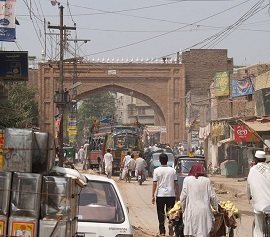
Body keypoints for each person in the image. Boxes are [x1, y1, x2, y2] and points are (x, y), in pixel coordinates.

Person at [180, 163, 218, 237]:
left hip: (191, 212)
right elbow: (213, 197)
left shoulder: (187, 180)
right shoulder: (207, 181)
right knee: (204, 233)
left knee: (191, 232)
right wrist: (216, 208)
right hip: (204, 213)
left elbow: (183, 197)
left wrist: (183, 209)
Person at [152, 153, 180, 236]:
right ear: (167, 161)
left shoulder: (156, 170)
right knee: (170, 212)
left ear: (160, 161)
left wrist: (152, 195)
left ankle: (162, 231)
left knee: (160, 213)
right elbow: (176, 184)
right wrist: (177, 195)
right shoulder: (172, 170)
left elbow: (154, 184)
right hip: (171, 195)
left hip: (160, 195)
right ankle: (171, 223)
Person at [247, 150, 270, 237]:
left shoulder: (252, 170)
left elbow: (248, 186)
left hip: (259, 205)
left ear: (255, 160)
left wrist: (249, 196)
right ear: (264, 159)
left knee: (258, 227)